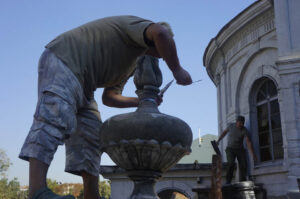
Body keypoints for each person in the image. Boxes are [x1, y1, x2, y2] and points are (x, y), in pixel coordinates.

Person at [19, 15, 192, 199]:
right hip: (65, 59)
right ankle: (37, 191)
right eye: (164, 48)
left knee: (93, 135)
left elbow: (109, 97)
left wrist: (138, 101)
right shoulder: (139, 27)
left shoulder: (131, 63)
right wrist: (177, 70)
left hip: (85, 87)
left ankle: (91, 195)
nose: (162, 55)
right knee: (54, 117)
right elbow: (161, 33)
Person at [216, 116, 258, 184]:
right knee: (231, 163)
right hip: (230, 149)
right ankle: (228, 181)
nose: (241, 125)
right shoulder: (231, 126)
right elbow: (224, 133)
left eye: (243, 123)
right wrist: (218, 140)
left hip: (239, 149)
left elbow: (248, 142)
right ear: (237, 122)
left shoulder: (244, 130)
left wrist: (253, 154)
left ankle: (243, 180)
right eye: (240, 123)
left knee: (243, 164)